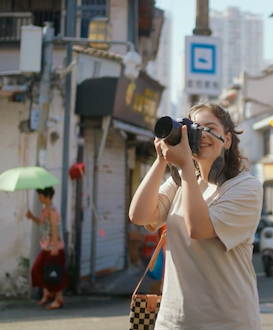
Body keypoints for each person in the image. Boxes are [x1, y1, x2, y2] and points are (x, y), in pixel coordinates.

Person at [129, 103, 263, 330]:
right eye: (194, 129)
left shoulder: (246, 187)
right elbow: (139, 215)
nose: (201, 135)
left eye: (209, 128)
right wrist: (162, 158)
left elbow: (199, 229)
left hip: (227, 322)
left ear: (227, 139)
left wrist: (185, 167)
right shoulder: (180, 181)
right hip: (172, 321)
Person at [26, 187, 67, 310]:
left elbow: (55, 229)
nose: (39, 198)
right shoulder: (45, 210)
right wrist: (32, 217)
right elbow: (42, 223)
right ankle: (47, 293)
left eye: (41, 196)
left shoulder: (53, 211)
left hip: (54, 246)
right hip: (45, 246)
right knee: (39, 270)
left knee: (55, 272)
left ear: (47, 196)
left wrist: (54, 247)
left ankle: (59, 299)